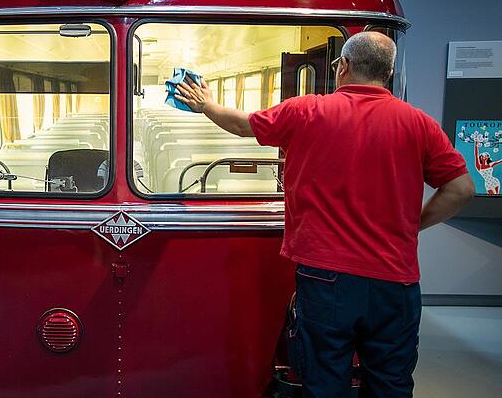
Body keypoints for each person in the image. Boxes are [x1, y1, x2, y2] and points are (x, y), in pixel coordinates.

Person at [175, 31, 475, 398]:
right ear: (390, 72)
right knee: (391, 382)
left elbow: (242, 124)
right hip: (395, 280)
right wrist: (412, 227)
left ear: (344, 66)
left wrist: (205, 103)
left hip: (326, 276)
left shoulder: (306, 111)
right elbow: (461, 189)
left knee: (324, 380)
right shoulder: (419, 123)